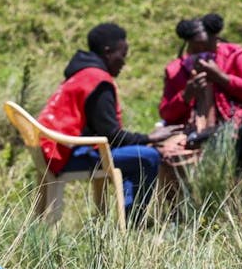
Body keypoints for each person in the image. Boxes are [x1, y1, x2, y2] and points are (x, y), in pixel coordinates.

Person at [37, 23, 180, 224]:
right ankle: (133, 223)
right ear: (108, 52)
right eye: (123, 54)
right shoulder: (98, 80)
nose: (124, 62)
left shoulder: (80, 73)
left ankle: (128, 218)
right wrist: (149, 138)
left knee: (138, 153)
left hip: (54, 151)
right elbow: (111, 135)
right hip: (66, 156)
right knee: (147, 158)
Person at [159, 13, 242, 130]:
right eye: (196, 49)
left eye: (206, 46)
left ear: (216, 40)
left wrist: (222, 78)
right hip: (190, 133)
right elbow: (166, 114)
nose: (202, 53)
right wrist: (185, 95)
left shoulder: (234, 55)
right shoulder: (176, 70)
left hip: (235, 128)